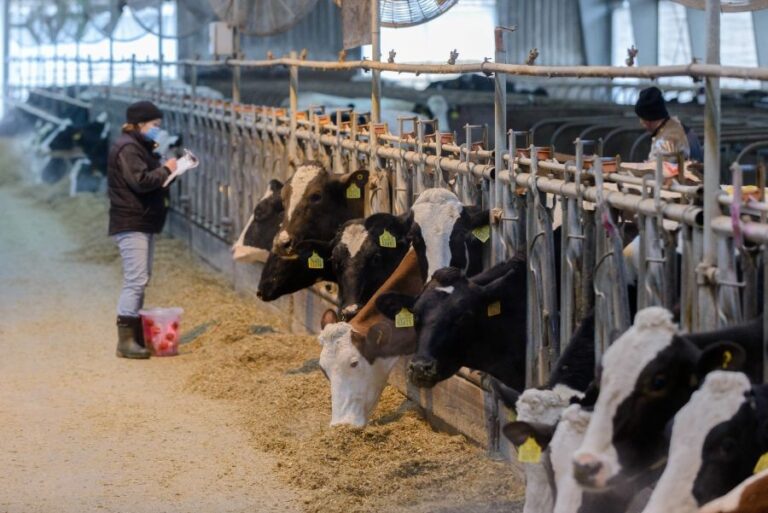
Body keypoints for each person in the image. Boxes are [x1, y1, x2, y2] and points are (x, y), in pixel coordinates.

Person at [107, 101, 177, 359]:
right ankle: (125, 342)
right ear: (139, 125)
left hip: (142, 219)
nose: (158, 130)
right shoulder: (127, 148)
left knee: (142, 277)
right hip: (131, 219)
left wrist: (171, 170)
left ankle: (135, 336)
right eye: (155, 125)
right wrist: (167, 169)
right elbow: (141, 182)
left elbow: (151, 179)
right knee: (135, 280)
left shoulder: (138, 146)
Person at [635, 86, 703, 162]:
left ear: (647, 120)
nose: (640, 122)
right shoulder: (679, 128)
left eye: (641, 118)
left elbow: (658, 172)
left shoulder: (665, 141)